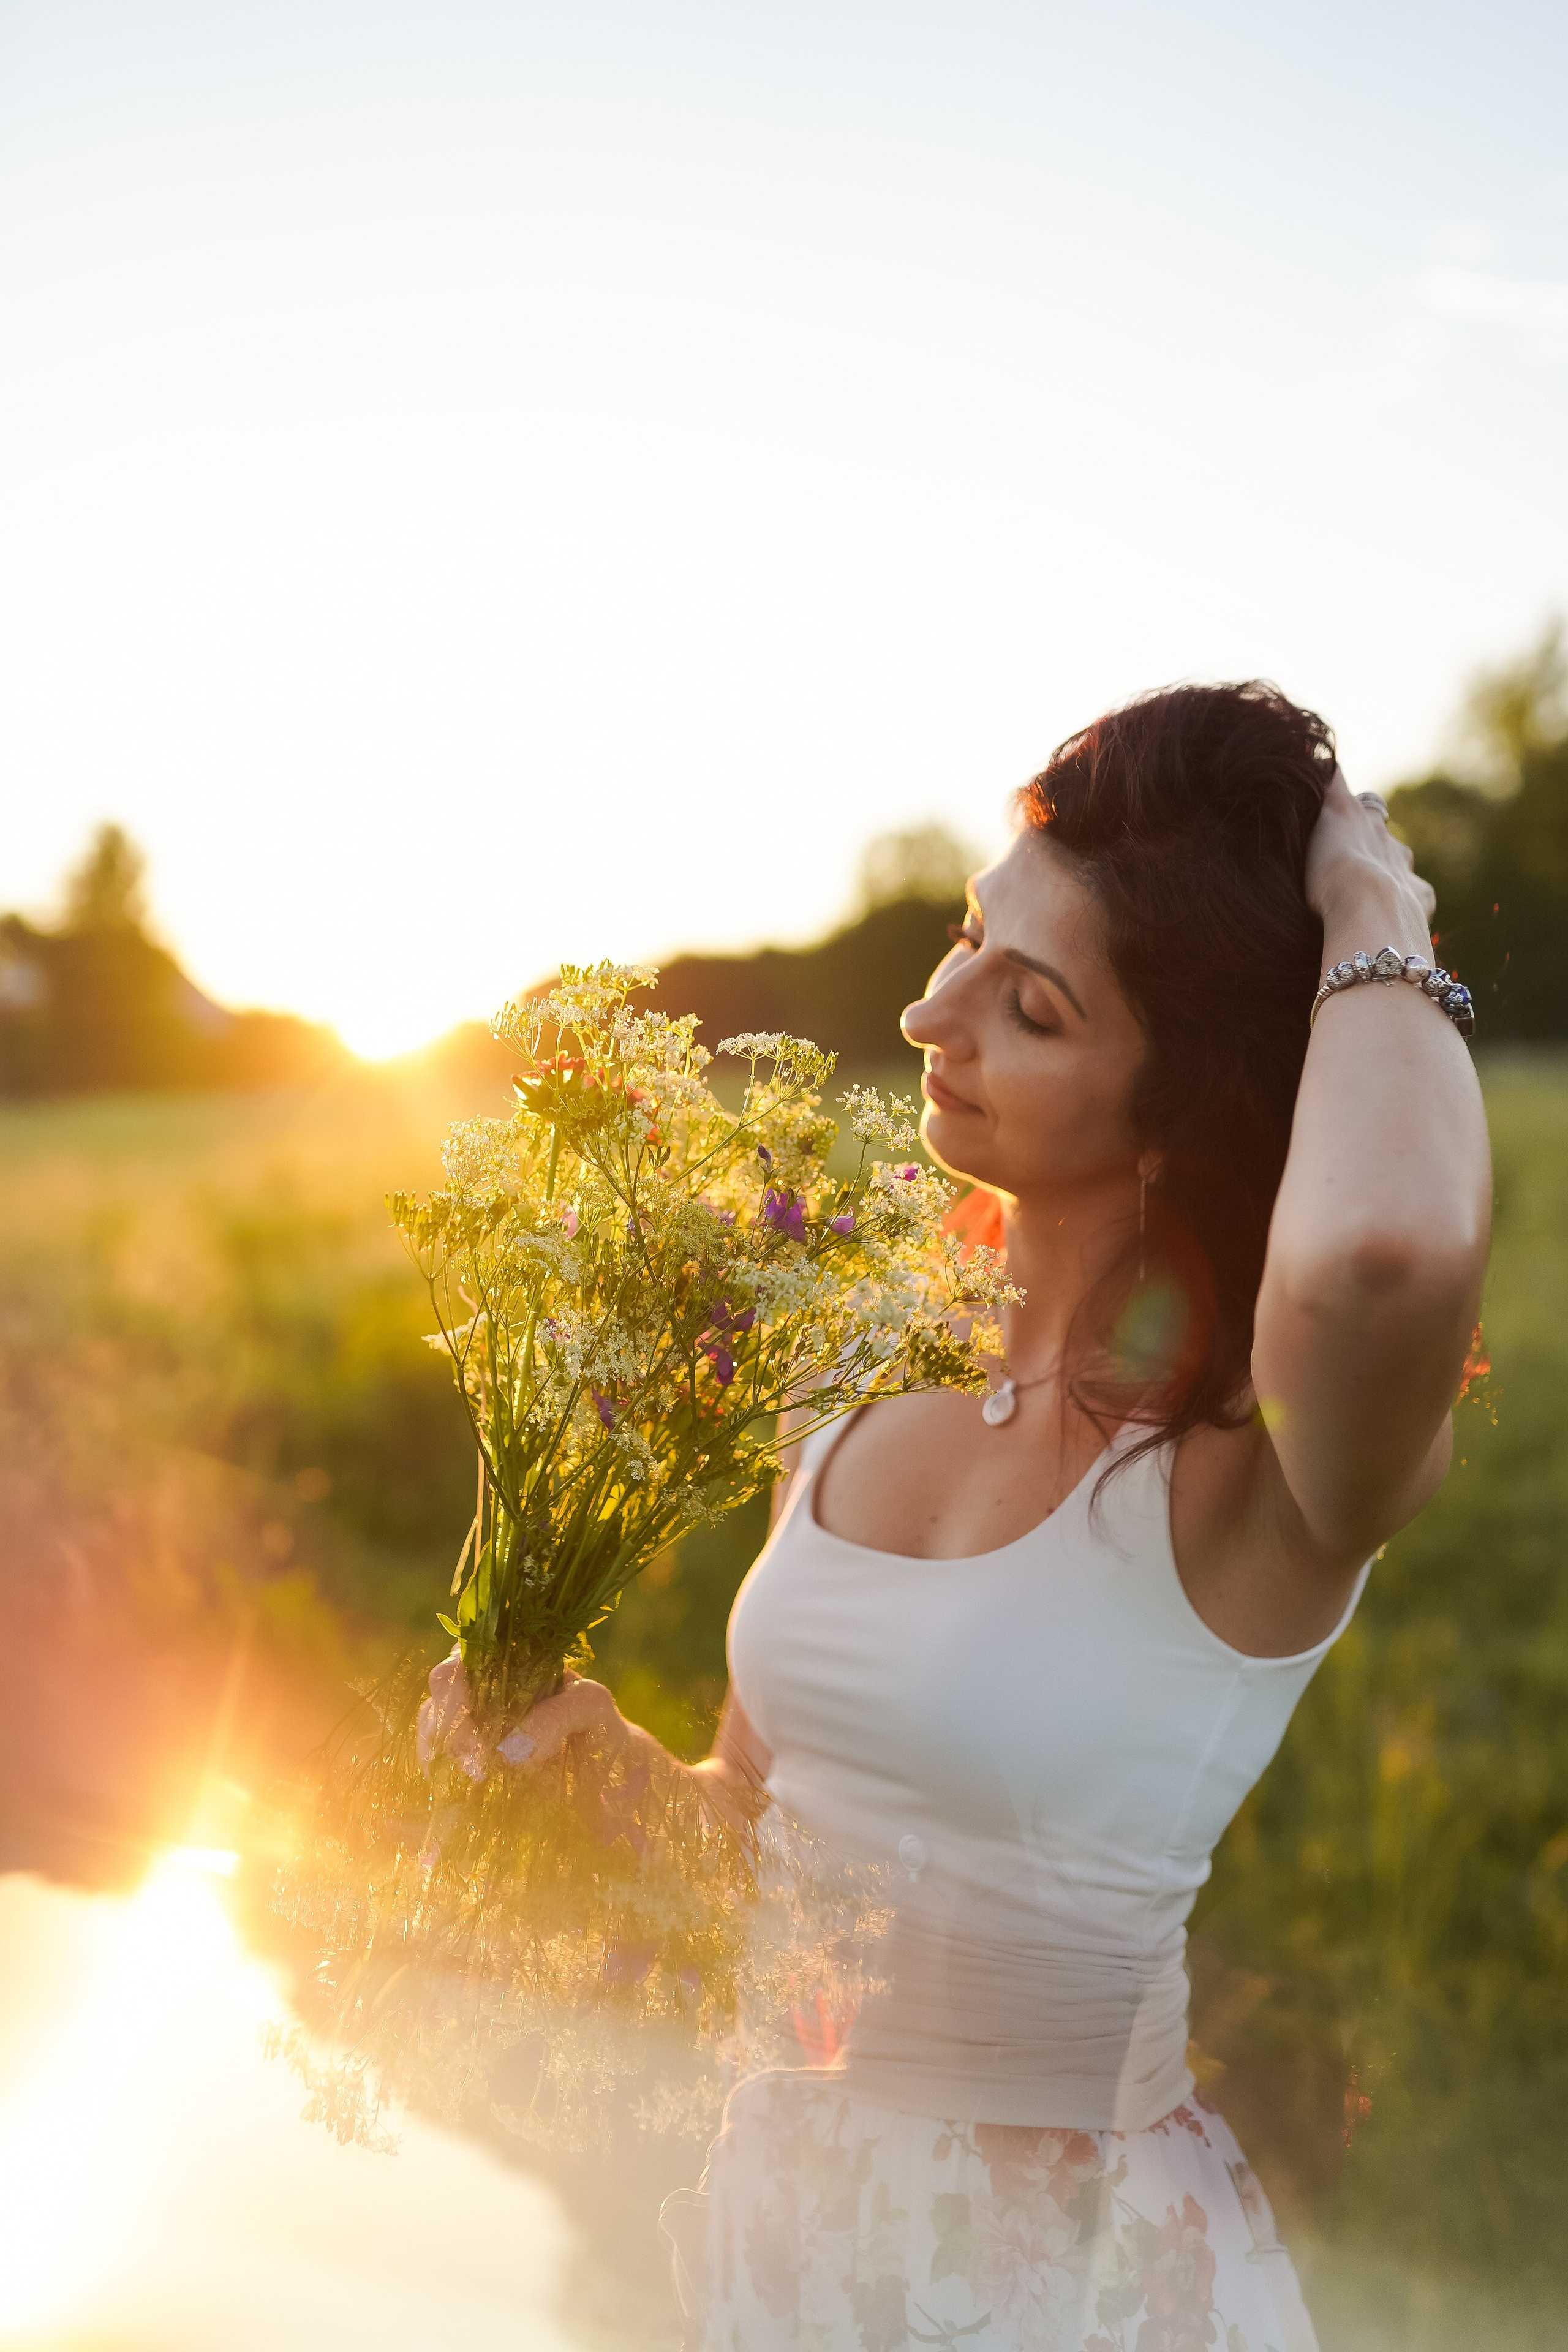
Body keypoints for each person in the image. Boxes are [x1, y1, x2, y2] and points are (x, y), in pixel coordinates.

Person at [516, 683, 1491, 2351]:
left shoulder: (1264, 1462)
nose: (928, 1013)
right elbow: (764, 1846)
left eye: (1029, 1006)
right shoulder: (855, 1354)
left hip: (1074, 2285)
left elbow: (1384, 1257)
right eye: (970, 936)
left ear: (1180, 1108)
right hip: (792, 2244)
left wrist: (1371, 899)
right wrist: (598, 1771)